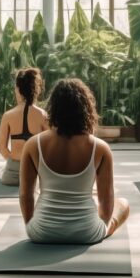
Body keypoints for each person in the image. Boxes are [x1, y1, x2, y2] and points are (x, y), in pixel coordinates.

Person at [19, 78, 129, 244]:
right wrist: (102, 227)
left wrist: (30, 226)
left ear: (53, 108)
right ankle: (106, 228)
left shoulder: (33, 144)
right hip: (87, 234)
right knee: (123, 203)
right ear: (86, 109)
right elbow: (106, 198)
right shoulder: (101, 148)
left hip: (41, 232)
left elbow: (26, 195)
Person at [0, 67, 49, 186]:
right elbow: (51, 145)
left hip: (12, 174)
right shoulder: (42, 115)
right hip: (35, 171)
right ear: (35, 90)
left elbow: (2, 148)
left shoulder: (7, 115)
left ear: (18, 89)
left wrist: (13, 162)